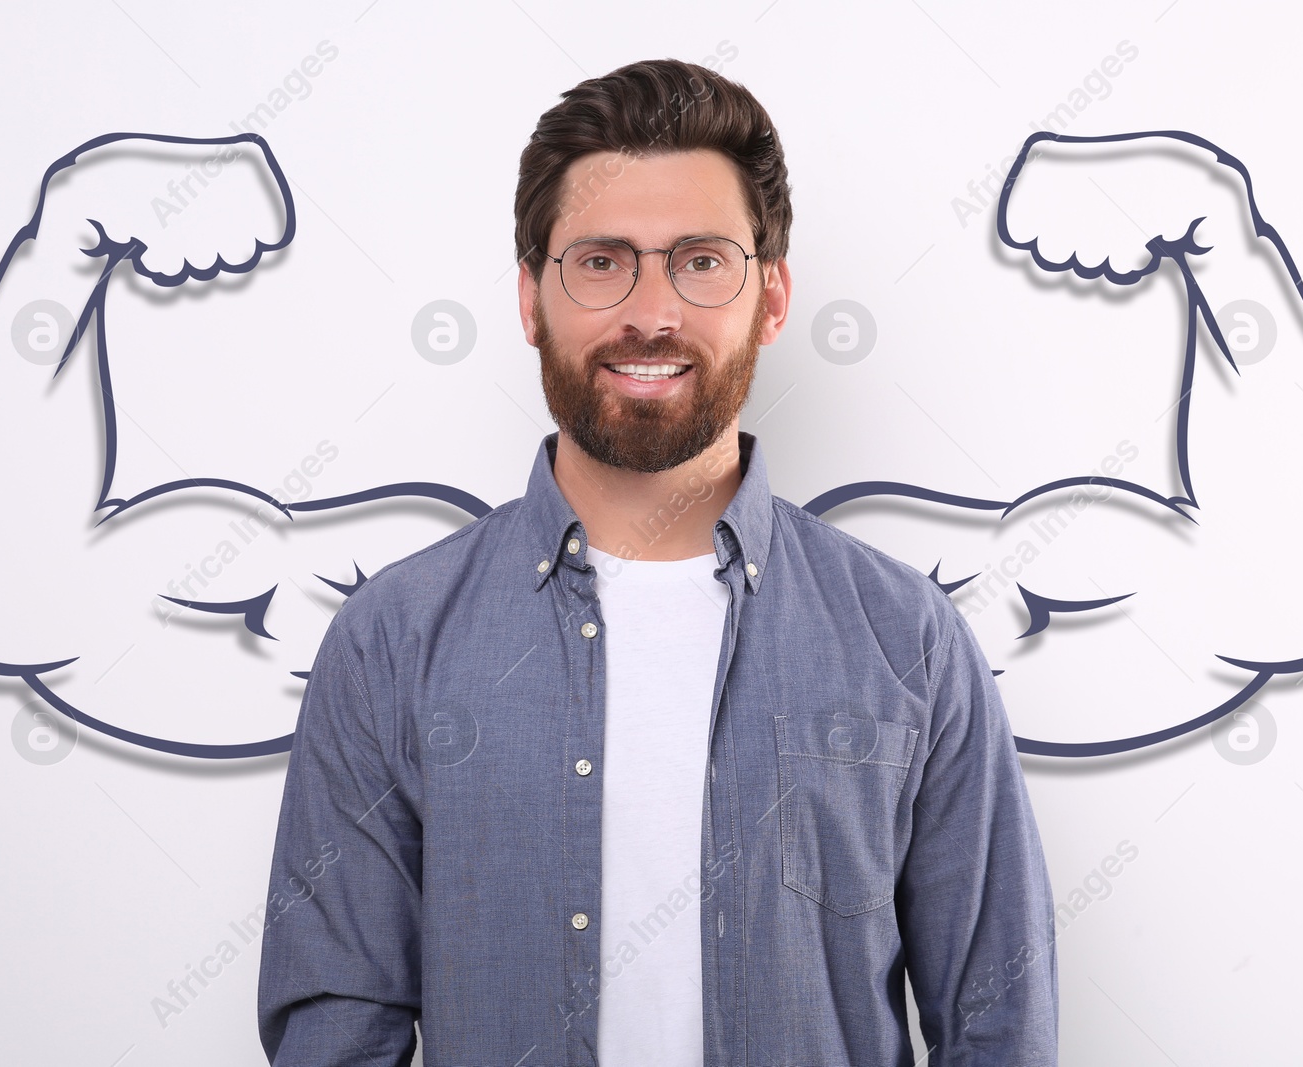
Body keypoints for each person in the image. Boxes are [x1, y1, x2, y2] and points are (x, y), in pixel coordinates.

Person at [257, 57, 1057, 1066]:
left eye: (699, 260)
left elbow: (998, 1019)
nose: (650, 310)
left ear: (770, 298)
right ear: (529, 298)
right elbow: (334, 1027)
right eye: (601, 261)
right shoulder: (390, 640)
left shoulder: (907, 639)